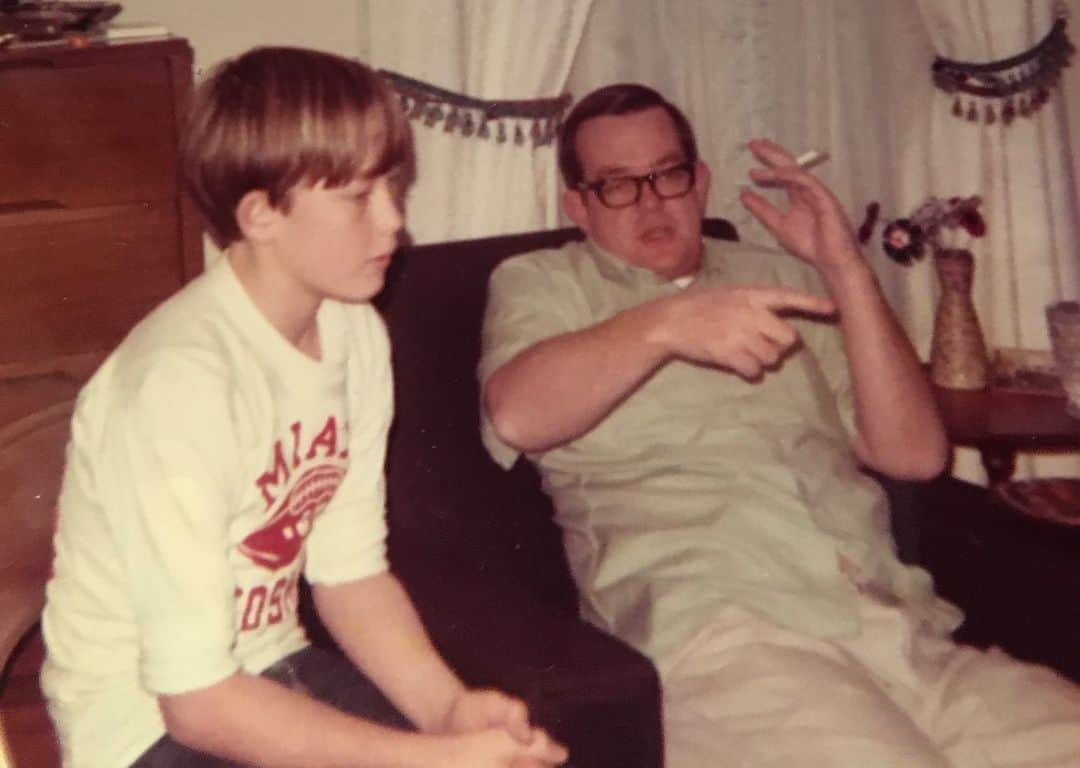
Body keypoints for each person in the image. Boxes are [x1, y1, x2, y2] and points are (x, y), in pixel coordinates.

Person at [478, 83, 1080, 767]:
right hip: (725, 641)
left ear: (699, 183)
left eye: (667, 174)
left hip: (896, 628)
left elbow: (914, 455)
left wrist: (843, 267)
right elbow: (517, 414)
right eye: (616, 185)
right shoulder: (541, 283)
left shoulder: (778, 278)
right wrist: (668, 325)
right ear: (577, 207)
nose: (650, 201)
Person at [40, 46, 567, 768]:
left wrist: (446, 711)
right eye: (358, 198)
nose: (393, 224)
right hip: (145, 726)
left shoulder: (353, 330)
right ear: (261, 214)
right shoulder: (181, 384)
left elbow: (349, 573)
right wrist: (431, 761)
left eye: (393, 187)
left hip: (271, 670)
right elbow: (195, 703)